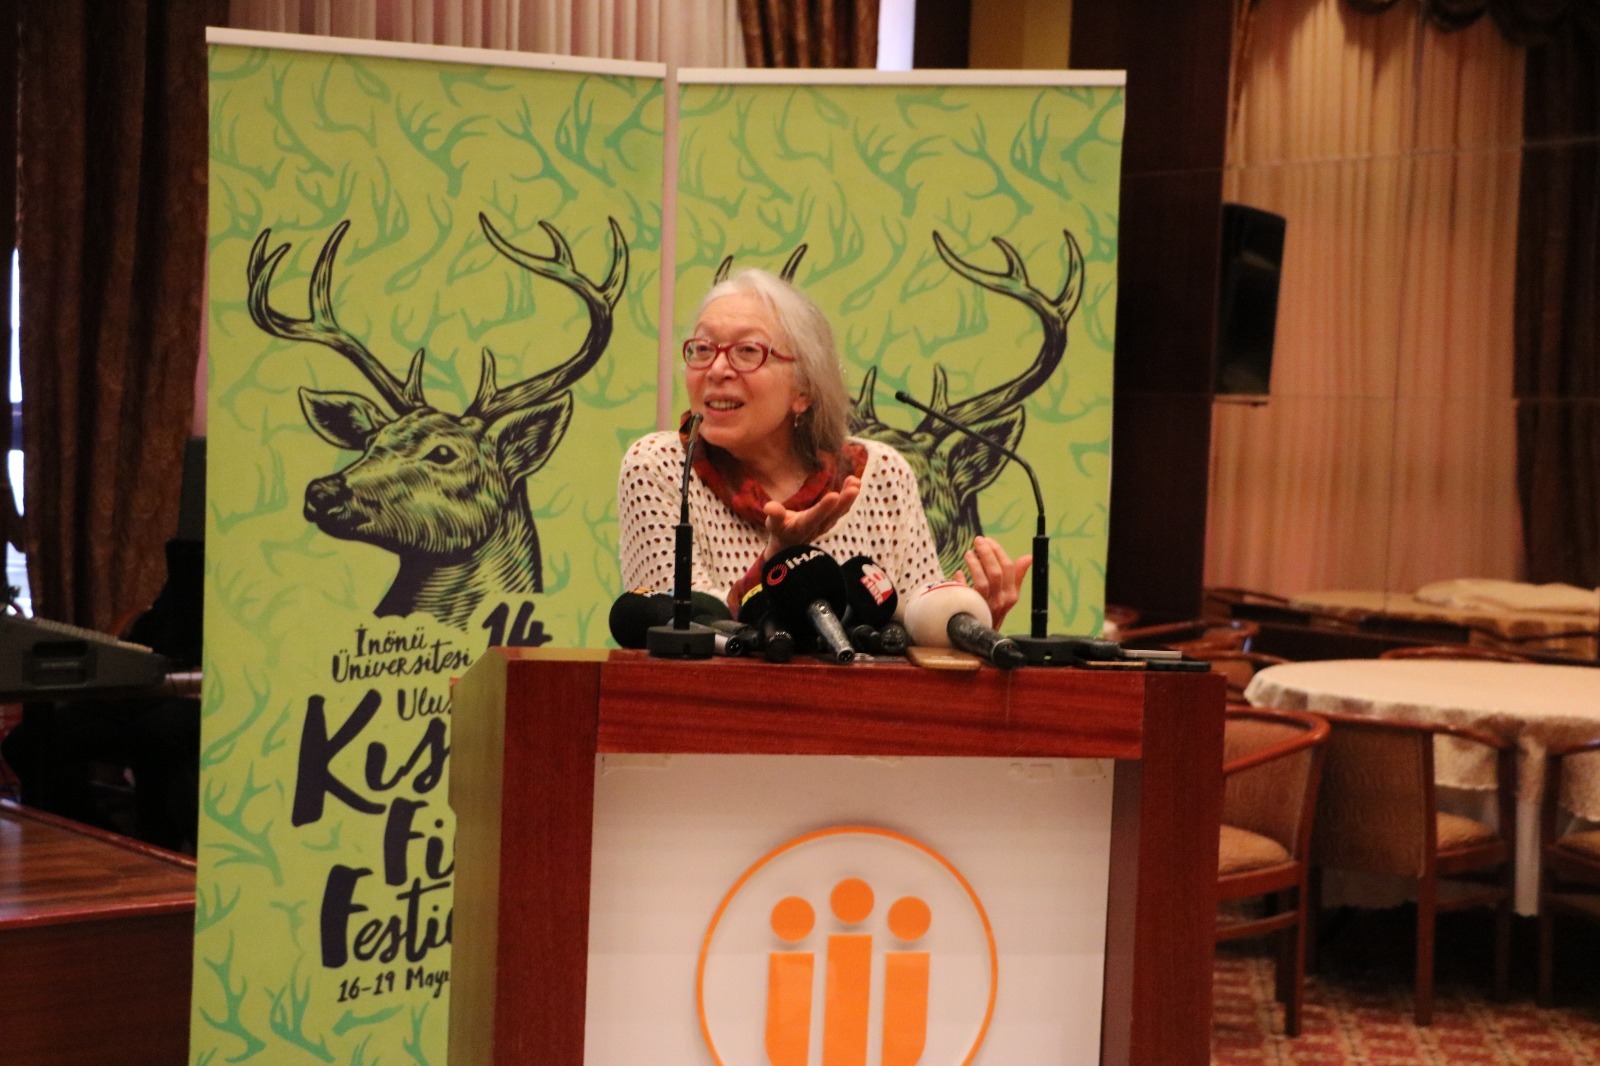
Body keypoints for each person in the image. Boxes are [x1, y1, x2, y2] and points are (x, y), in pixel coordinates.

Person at [618, 268, 1029, 625]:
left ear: (804, 390)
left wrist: (969, 621)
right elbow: (686, 633)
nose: (717, 369)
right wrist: (777, 558)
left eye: (747, 351)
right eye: (703, 349)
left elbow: (916, 640)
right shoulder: (660, 468)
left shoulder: (881, 474)